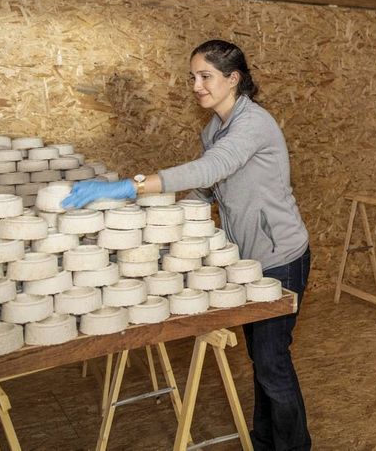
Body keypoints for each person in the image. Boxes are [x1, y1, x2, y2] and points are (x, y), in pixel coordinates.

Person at [62, 39, 312, 451]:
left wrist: (132, 186)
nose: (196, 85)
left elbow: (213, 166)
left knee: (272, 362)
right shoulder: (214, 128)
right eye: (192, 77)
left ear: (233, 79)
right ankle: (267, 440)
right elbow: (208, 187)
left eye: (205, 76)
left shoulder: (254, 123)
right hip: (248, 259)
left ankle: (293, 447)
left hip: (282, 256)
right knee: (264, 360)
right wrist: (160, 225)